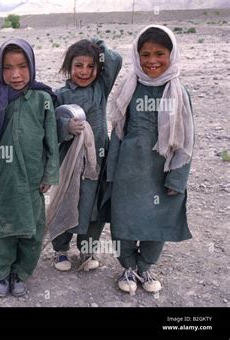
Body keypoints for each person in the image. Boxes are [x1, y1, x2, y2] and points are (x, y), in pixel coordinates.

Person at [0, 38, 59, 298]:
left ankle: (21, 273)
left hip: (31, 181)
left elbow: (52, 140)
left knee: (31, 231)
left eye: (22, 66)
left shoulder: (43, 99)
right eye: (7, 67)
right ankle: (1, 273)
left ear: (32, 65)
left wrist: (50, 173)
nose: (15, 74)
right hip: (0, 181)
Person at [107, 25, 194, 294]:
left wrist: (177, 179)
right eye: (144, 54)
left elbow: (188, 140)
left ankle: (145, 267)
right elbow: (118, 133)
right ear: (136, 55)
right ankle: (128, 267)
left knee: (158, 223)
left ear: (172, 54)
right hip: (128, 172)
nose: (151, 60)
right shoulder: (129, 88)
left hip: (163, 173)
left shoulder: (180, 93)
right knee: (124, 221)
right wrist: (111, 173)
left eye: (159, 53)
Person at [49, 38, 122, 272]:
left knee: (93, 208)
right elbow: (51, 125)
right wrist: (66, 127)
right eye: (78, 65)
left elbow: (116, 59)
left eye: (91, 66)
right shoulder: (60, 94)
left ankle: (87, 251)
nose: (84, 71)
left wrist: (96, 44)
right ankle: (60, 250)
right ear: (68, 67)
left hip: (97, 162)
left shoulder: (101, 88)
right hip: (69, 163)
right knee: (65, 202)